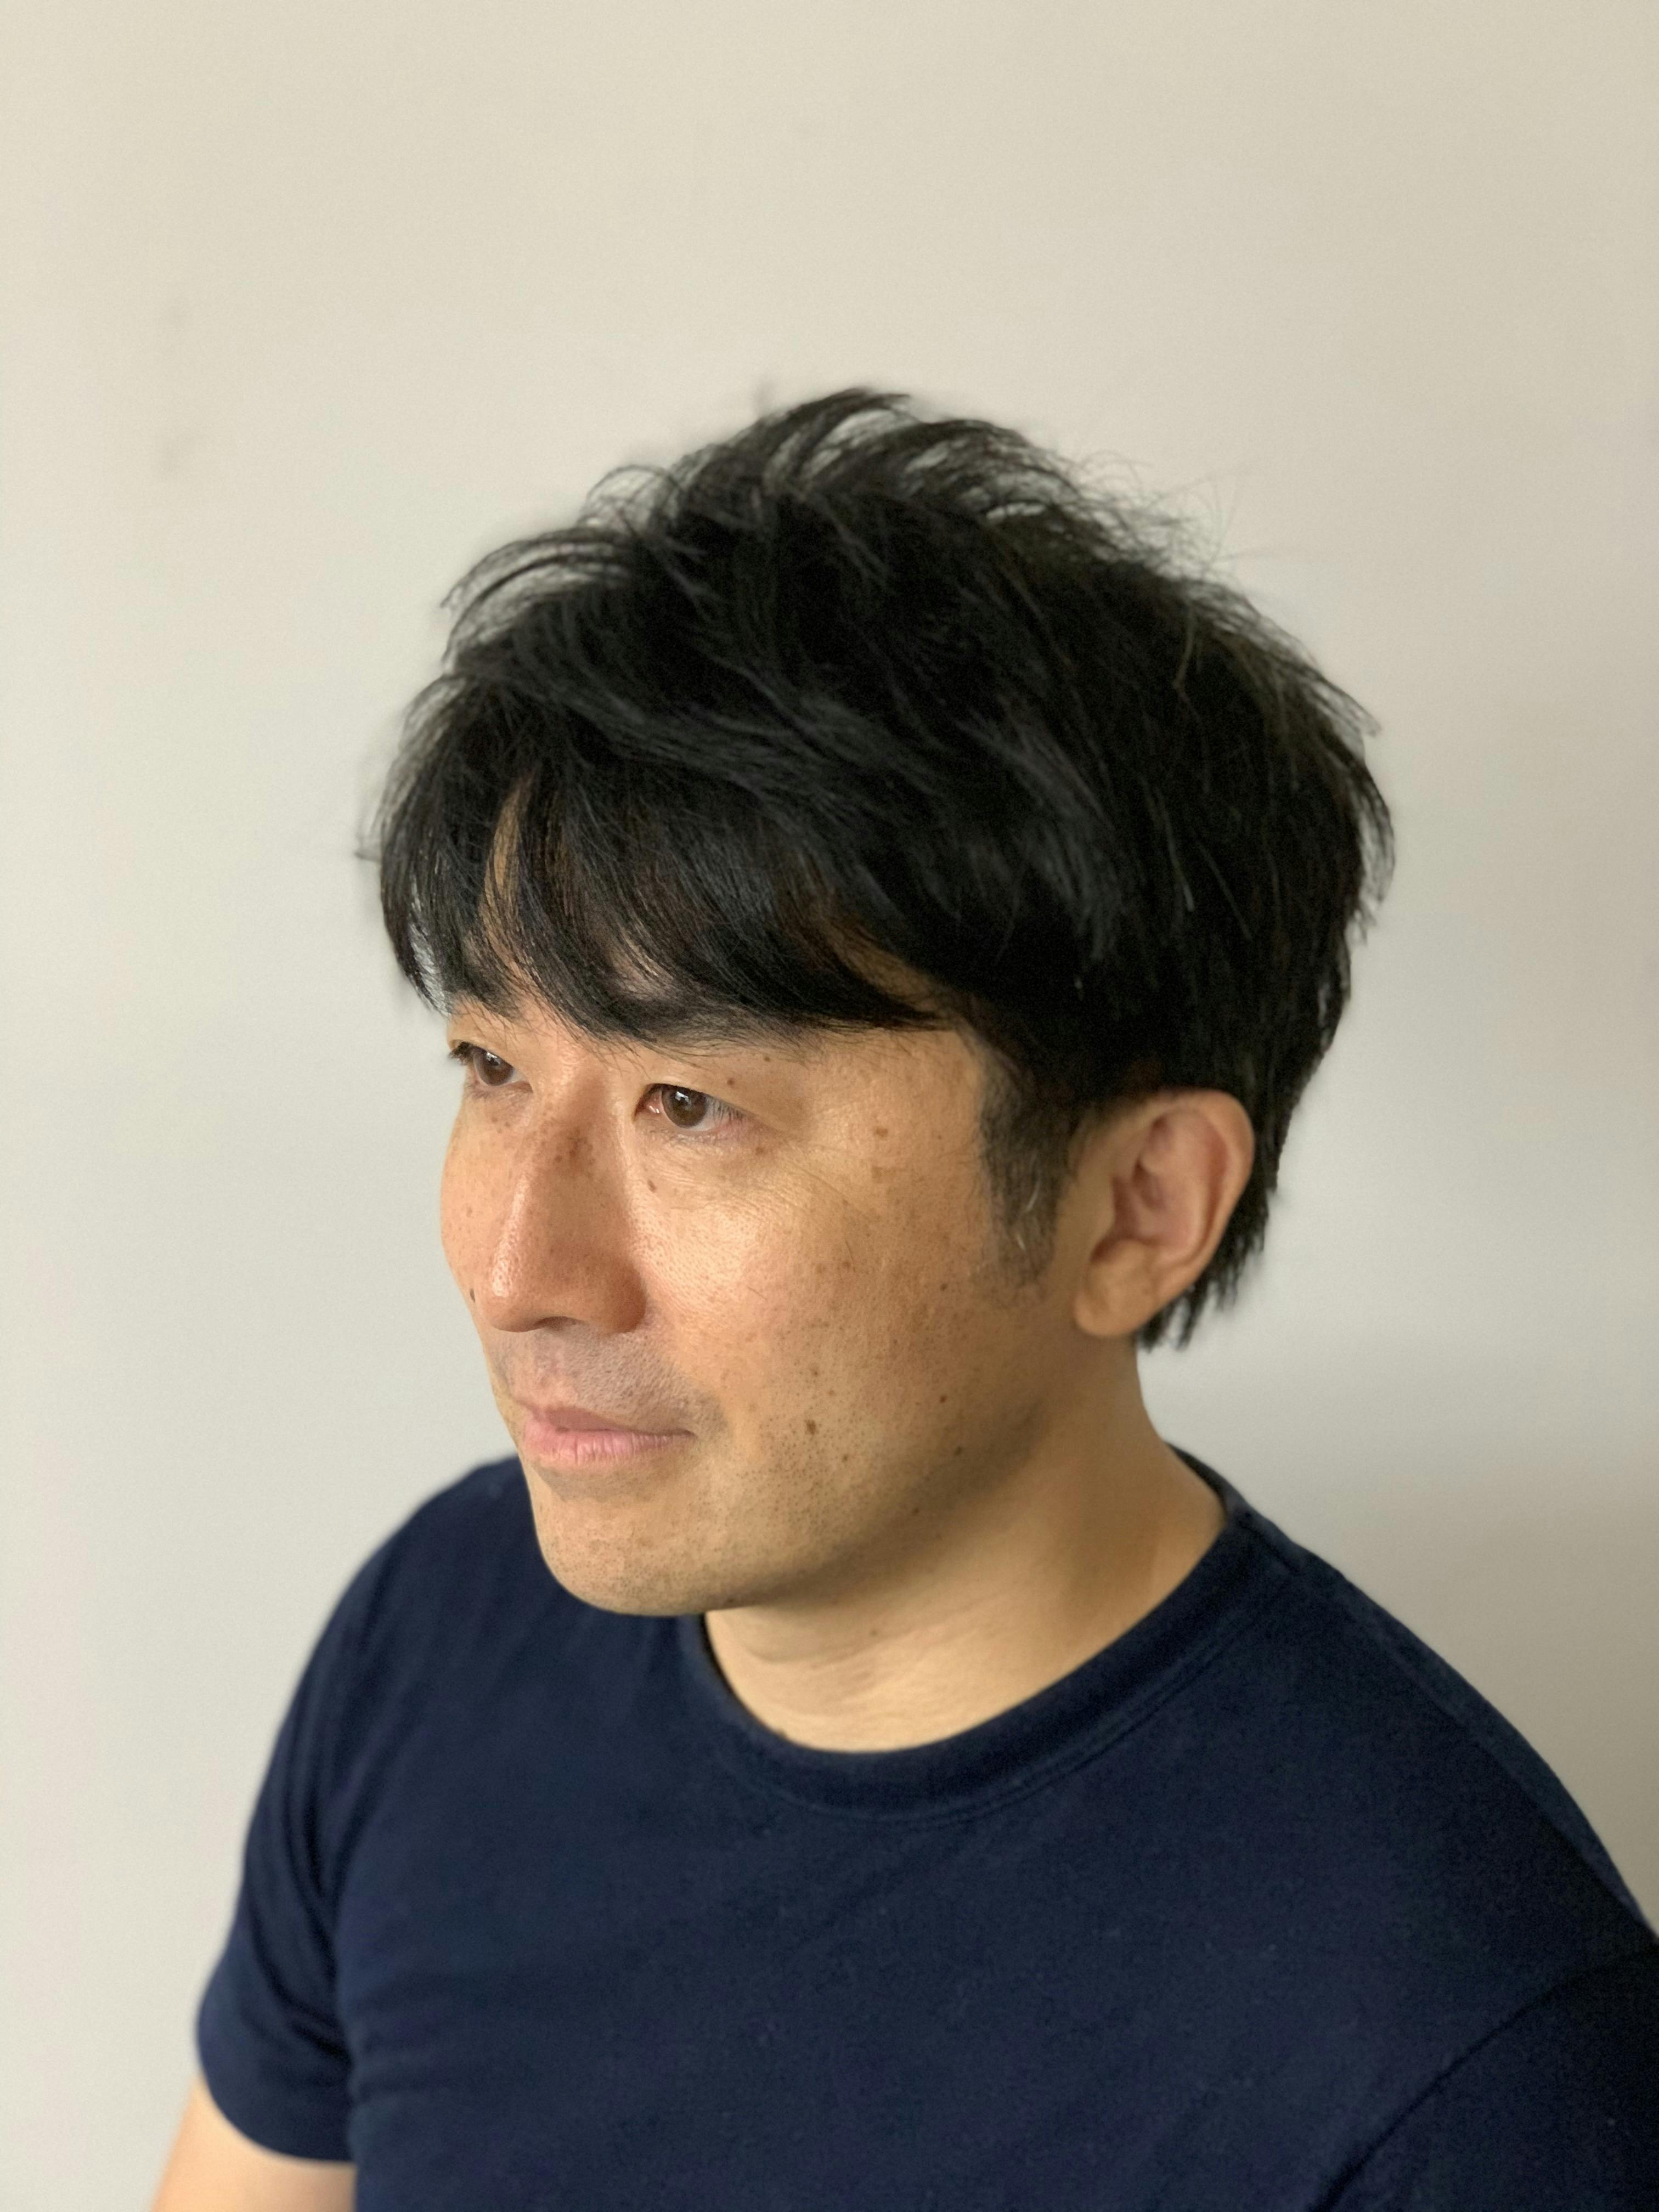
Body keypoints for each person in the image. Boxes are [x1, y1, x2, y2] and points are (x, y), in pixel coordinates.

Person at [153, 390, 1659, 2211]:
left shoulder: (1463, 2061)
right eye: (492, 1068)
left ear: (1139, 1207)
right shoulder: (444, 1635)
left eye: (690, 1106)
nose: (516, 1270)